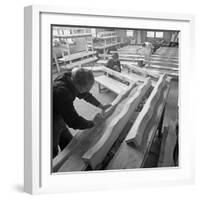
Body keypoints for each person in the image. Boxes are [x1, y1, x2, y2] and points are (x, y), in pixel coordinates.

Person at [53, 68, 111, 158]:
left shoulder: (71, 78)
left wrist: (101, 106)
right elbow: (73, 121)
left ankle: (69, 160)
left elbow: (85, 95)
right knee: (52, 150)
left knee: (69, 142)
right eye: (86, 89)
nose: (87, 91)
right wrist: (92, 123)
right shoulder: (62, 92)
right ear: (79, 86)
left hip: (58, 111)